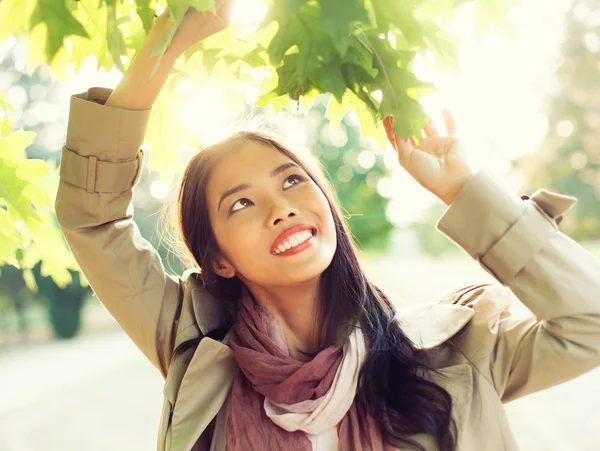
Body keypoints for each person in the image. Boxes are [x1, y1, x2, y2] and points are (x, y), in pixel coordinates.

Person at [54, 2, 600, 451]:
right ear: (218, 257)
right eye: (239, 204)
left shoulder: (454, 353)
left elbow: (589, 321)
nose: (280, 208)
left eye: (292, 182)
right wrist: (170, 36)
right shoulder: (193, 347)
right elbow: (94, 217)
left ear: (327, 206)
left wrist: (466, 189)